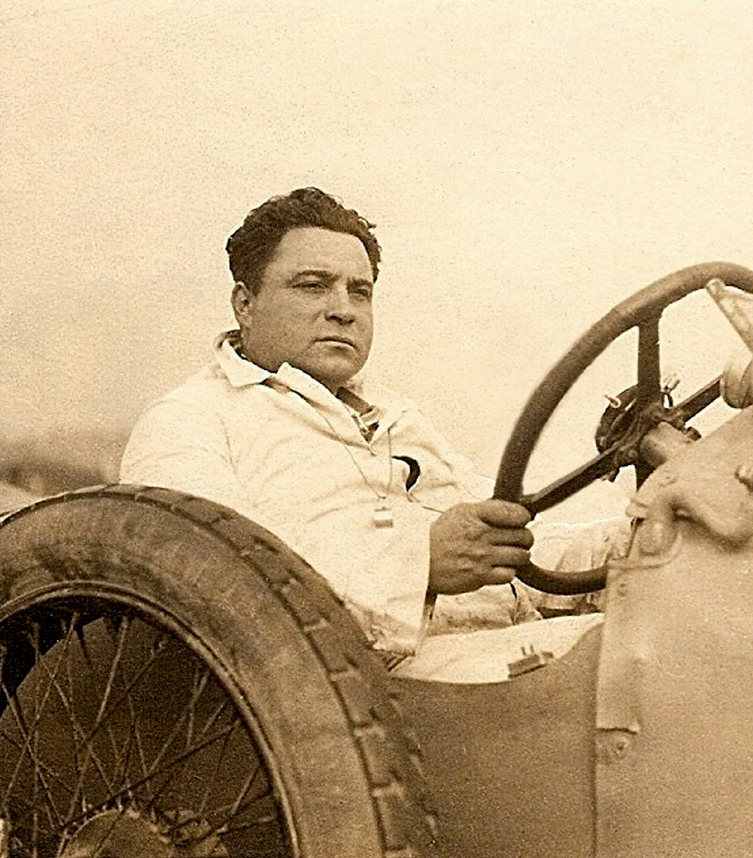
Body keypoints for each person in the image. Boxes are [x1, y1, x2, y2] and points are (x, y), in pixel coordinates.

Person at [121, 188, 613, 680]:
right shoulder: (190, 421)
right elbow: (213, 588)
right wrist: (422, 565)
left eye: (359, 291)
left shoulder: (395, 416)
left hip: (502, 656)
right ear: (245, 304)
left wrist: (634, 533)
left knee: (645, 625)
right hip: (359, 693)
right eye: (313, 286)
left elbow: (516, 549)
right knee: (632, 659)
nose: (344, 309)